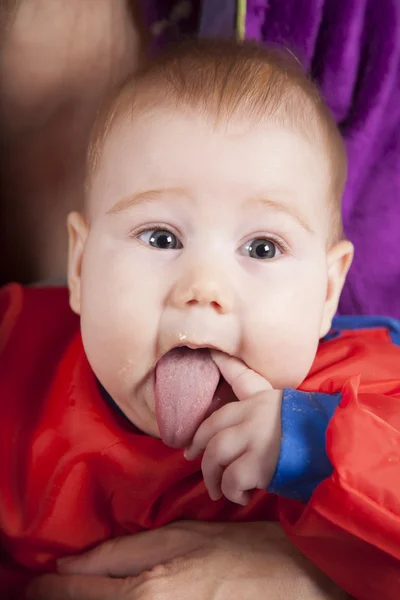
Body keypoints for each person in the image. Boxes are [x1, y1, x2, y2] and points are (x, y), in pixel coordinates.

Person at [0, 39, 399, 600]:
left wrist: (313, 444)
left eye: (262, 248)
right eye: (161, 238)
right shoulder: (16, 357)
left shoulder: (368, 393)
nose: (203, 288)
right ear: (82, 265)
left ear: (327, 292)